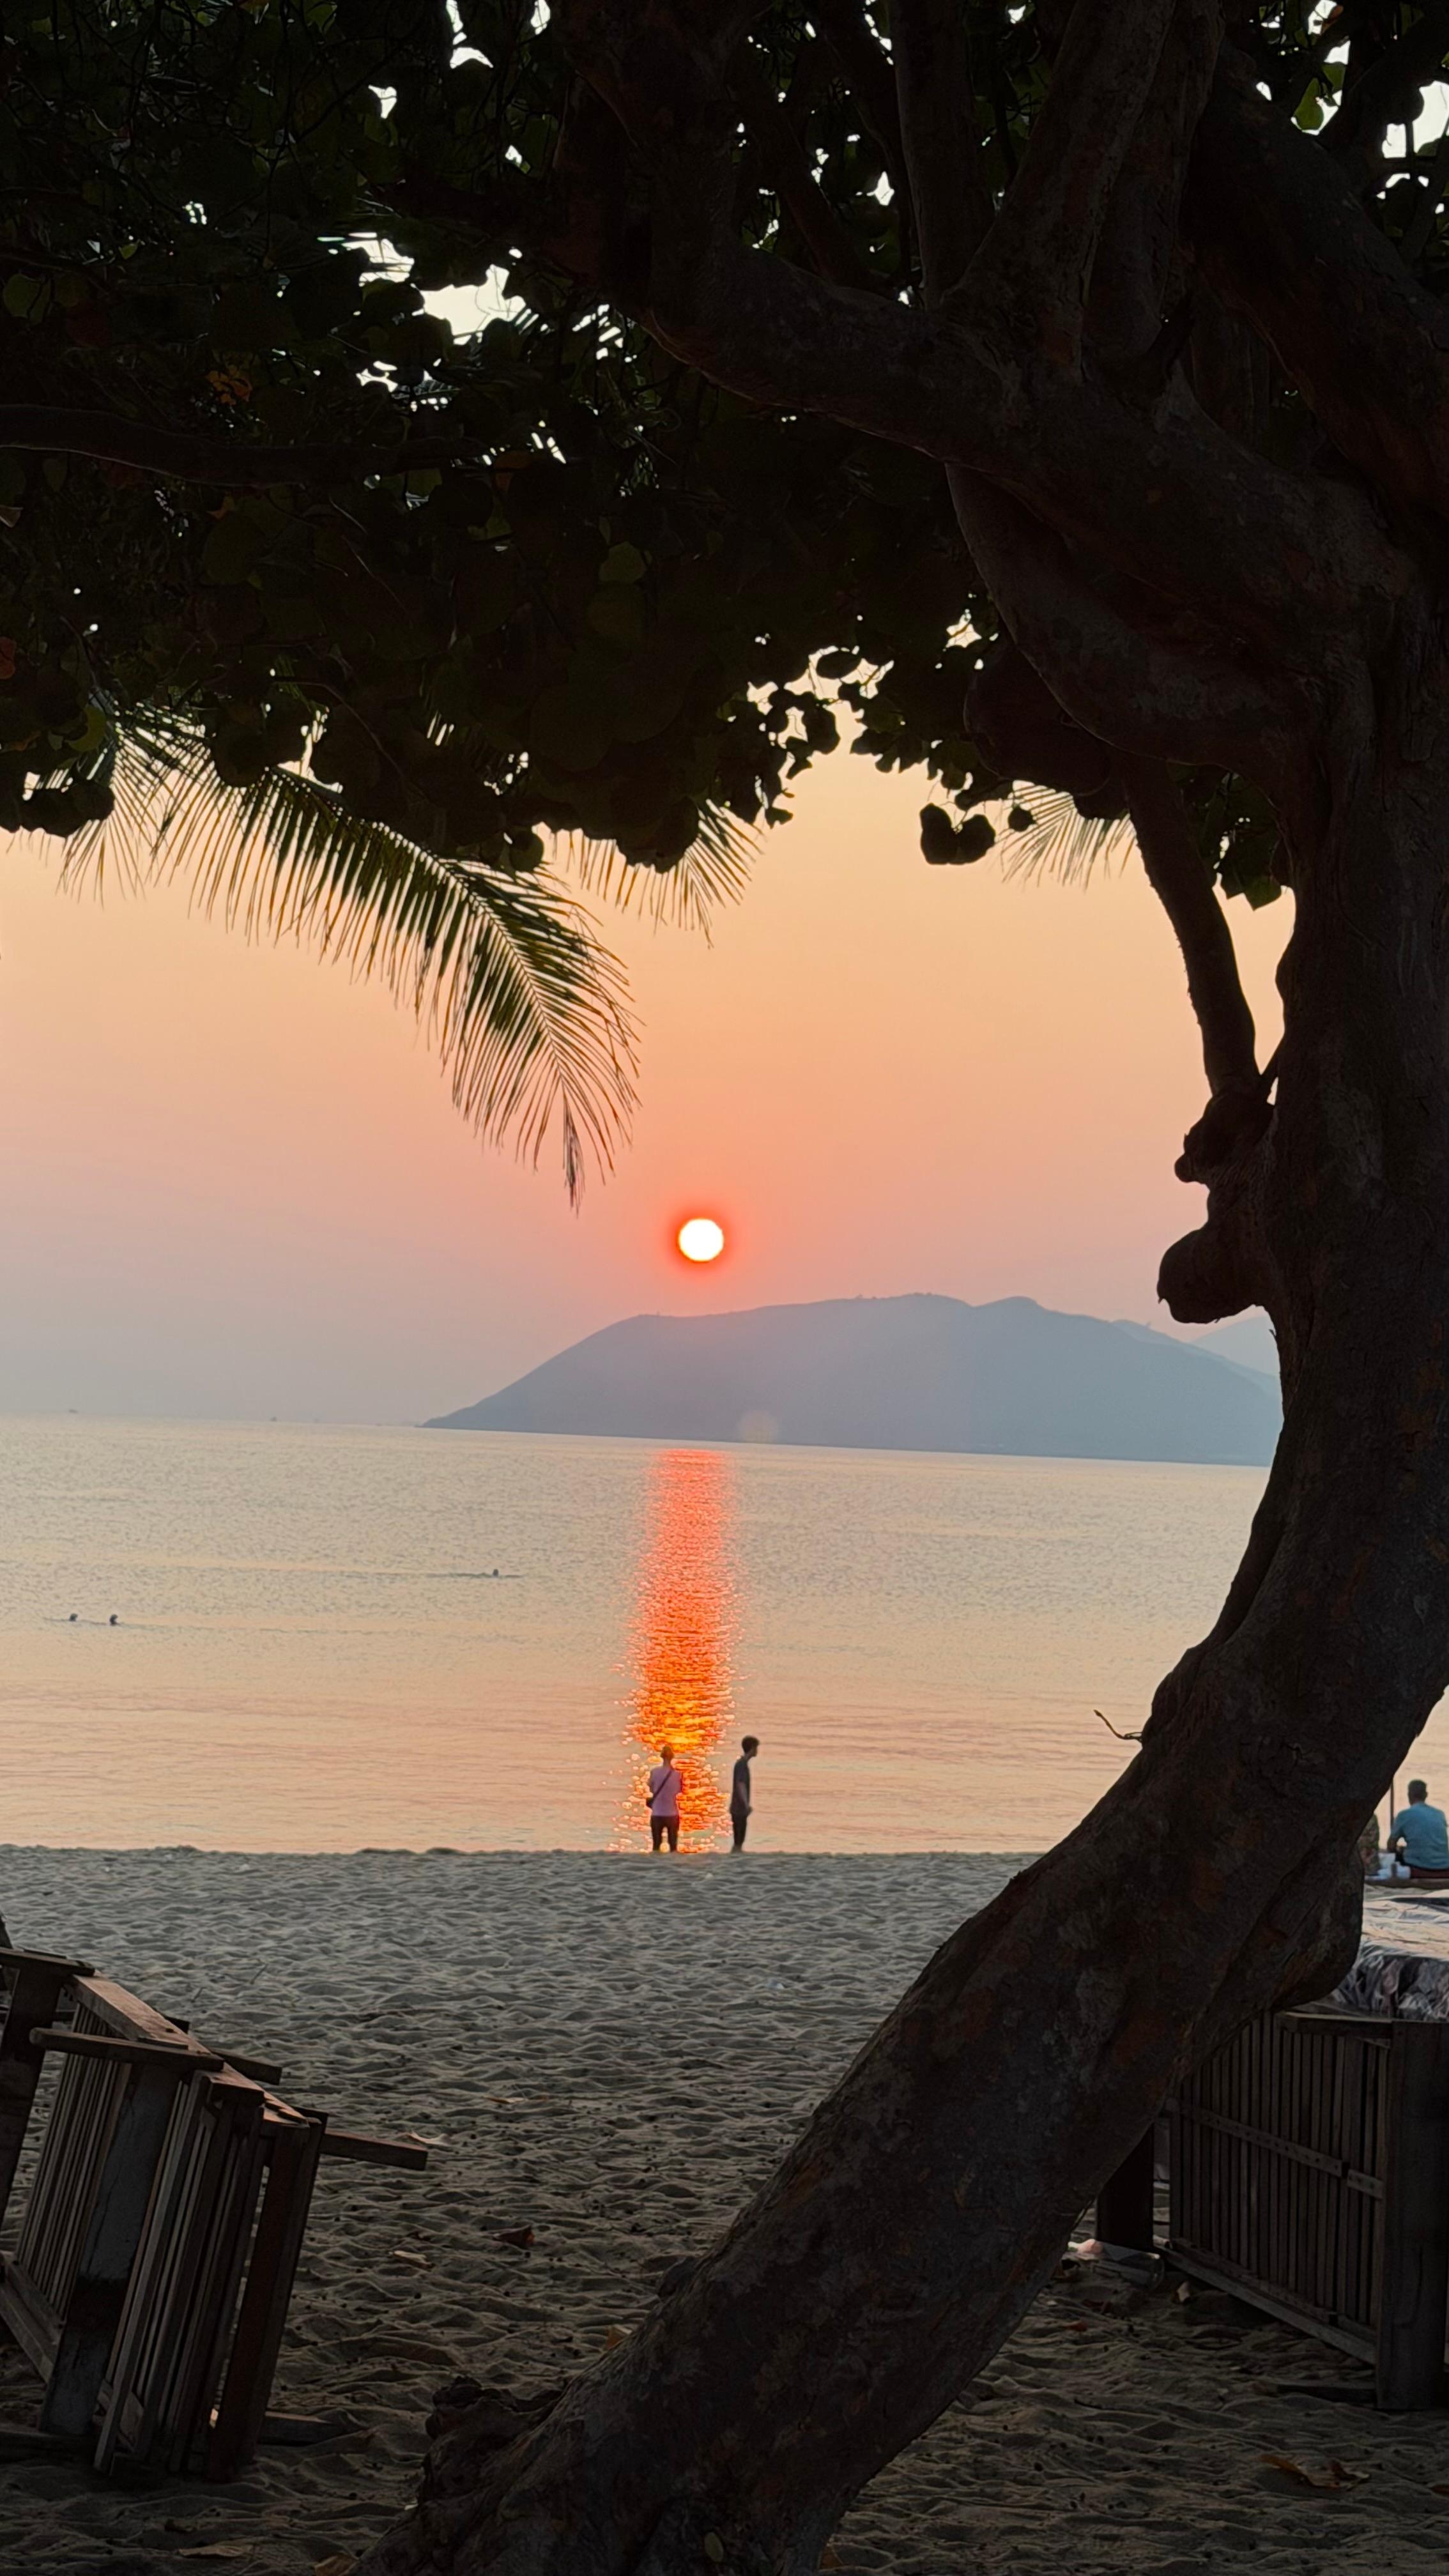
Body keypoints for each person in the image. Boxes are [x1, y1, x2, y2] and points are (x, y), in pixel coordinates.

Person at [1387, 1779, 1449, 1876]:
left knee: (1395, 1857)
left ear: (1409, 1795)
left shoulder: (1404, 1815)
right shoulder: (1439, 1814)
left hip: (1418, 1866)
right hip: (1444, 1865)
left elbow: (1391, 1846)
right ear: (1426, 1795)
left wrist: (1399, 1851)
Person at [647, 1744, 682, 1853]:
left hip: (657, 1813)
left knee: (656, 1846)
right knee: (673, 1847)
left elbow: (651, 1790)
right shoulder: (678, 1774)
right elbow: (678, 1791)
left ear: (661, 1757)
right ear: (672, 1757)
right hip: (672, 1813)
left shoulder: (654, 1772)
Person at [730, 1735, 760, 1851]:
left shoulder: (742, 1764)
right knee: (739, 1838)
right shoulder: (742, 1765)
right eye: (756, 1748)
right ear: (752, 1748)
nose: (757, 1751)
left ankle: (737, 1854)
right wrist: (746, 1805)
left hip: (738, 1807)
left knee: (739, 1838)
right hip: (739, 1808)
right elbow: (740, 1785)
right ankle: (736, 1854)